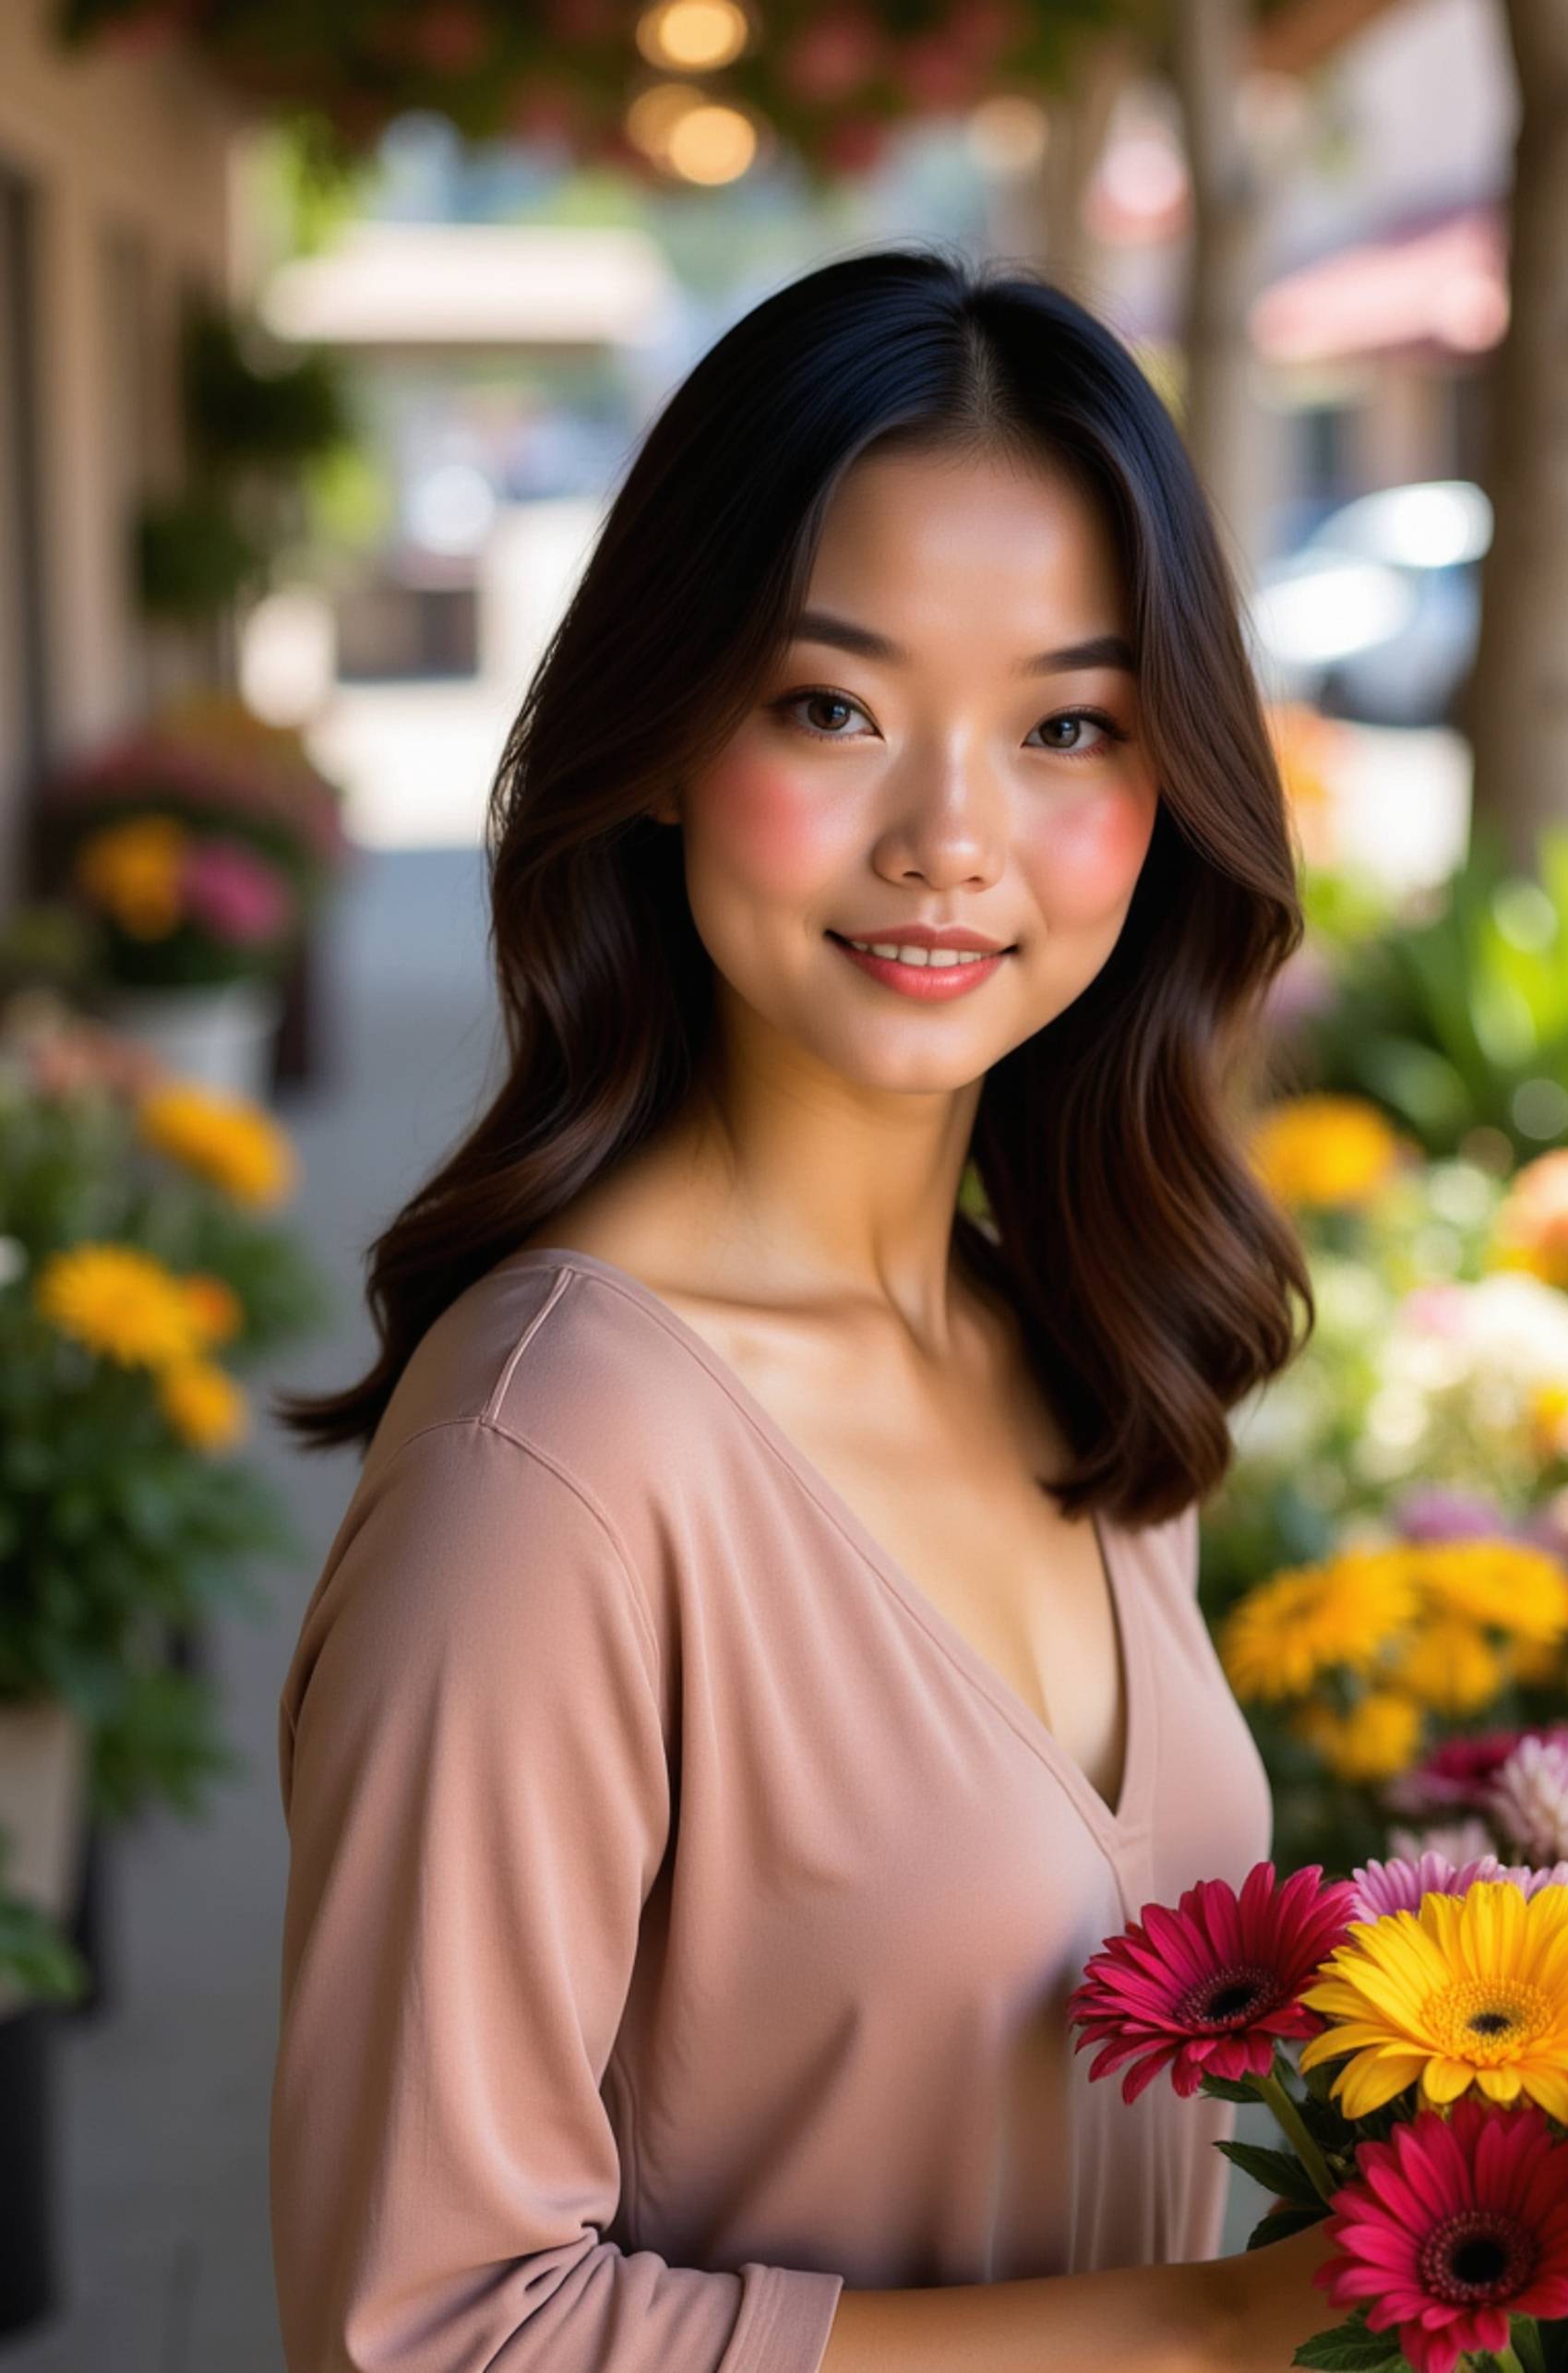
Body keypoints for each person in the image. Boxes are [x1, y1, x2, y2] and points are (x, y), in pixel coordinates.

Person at [268, 244, 1327, 2373]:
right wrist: (1210, 2329)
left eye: (1066, 724)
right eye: (830, 704)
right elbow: (429, 2332)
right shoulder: (551, 1461)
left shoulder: (1076, 1342)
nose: (950, 836)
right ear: (662, 736)